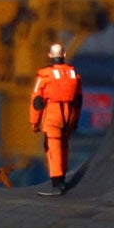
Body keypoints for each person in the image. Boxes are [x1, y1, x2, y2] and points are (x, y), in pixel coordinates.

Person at [30, 41, 83, 197]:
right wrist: (76, 120)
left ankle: (56, 184)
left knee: (53, 148)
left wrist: (34, 123)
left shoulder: (44, 76)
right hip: (70, 116)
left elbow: (37, 102)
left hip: (53, 116)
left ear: (50, 56)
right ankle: (63, 179)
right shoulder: (74, 75)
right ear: (64, 55)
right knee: (64, 145)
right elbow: (79, 100)